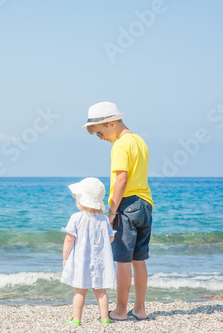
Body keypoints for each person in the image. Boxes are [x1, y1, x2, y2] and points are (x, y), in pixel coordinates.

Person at [82, 101, 154, 321]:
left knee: (122, 260)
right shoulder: (139, 141)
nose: (101, 138)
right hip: (145, 203)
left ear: (111, 123)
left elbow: (121, 179)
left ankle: (121, 310)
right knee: (139, 259)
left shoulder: (120, 145)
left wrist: (112, 212)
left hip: (127, 205)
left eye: (99, 133)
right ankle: (140, 309)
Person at [61, 177, 117, 327]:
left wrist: (65, 258)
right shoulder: (104, 219)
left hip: (81, 261)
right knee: (101, 290)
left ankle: (76, 319)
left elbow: (68, 239)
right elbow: (111, 238)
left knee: (79, 290)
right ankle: (105, 317)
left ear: (81, 200)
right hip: (100, 262)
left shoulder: (76, 218)